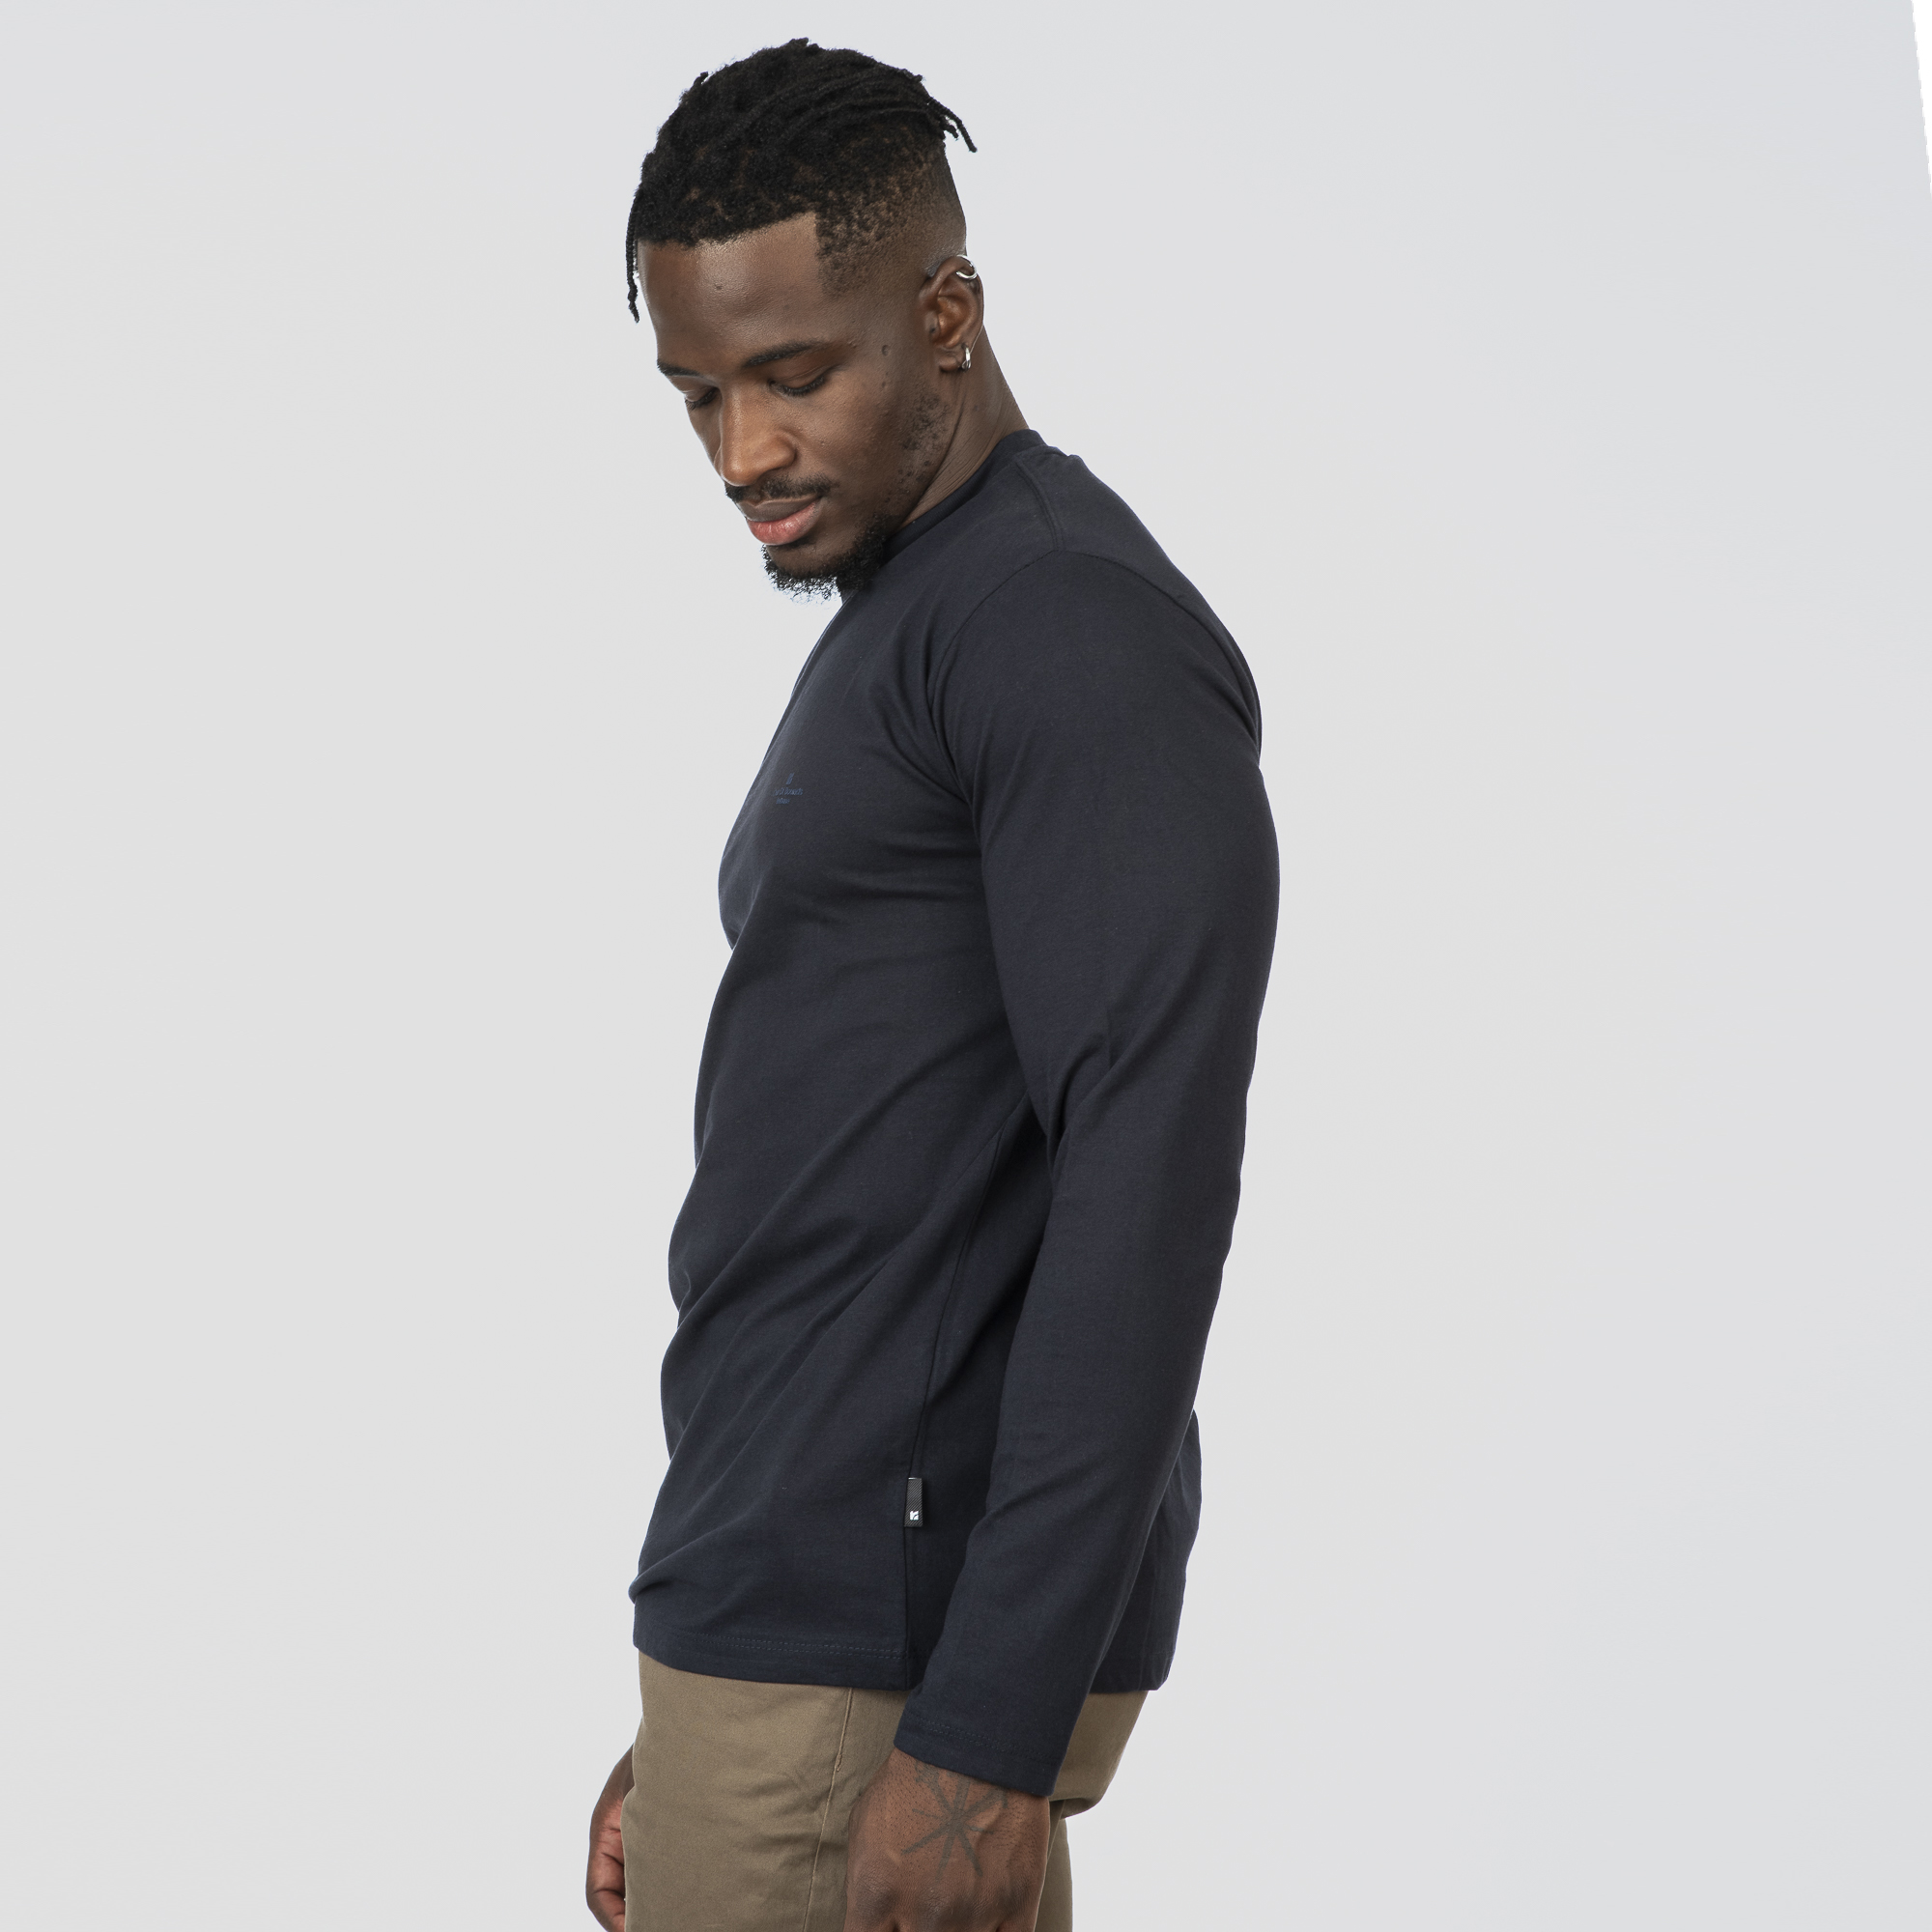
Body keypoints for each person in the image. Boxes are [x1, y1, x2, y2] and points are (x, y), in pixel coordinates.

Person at [585, 40, 1277, 1932]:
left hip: (887, 1671)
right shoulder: (925, 610)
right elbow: (870, 1179)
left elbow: (1146, 1185)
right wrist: (707, 1693)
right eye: (700, 393)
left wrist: (977, 1731)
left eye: (796, 375)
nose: (742, 451)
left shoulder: (1066, 629)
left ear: (947, 316)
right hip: (802, 1639)